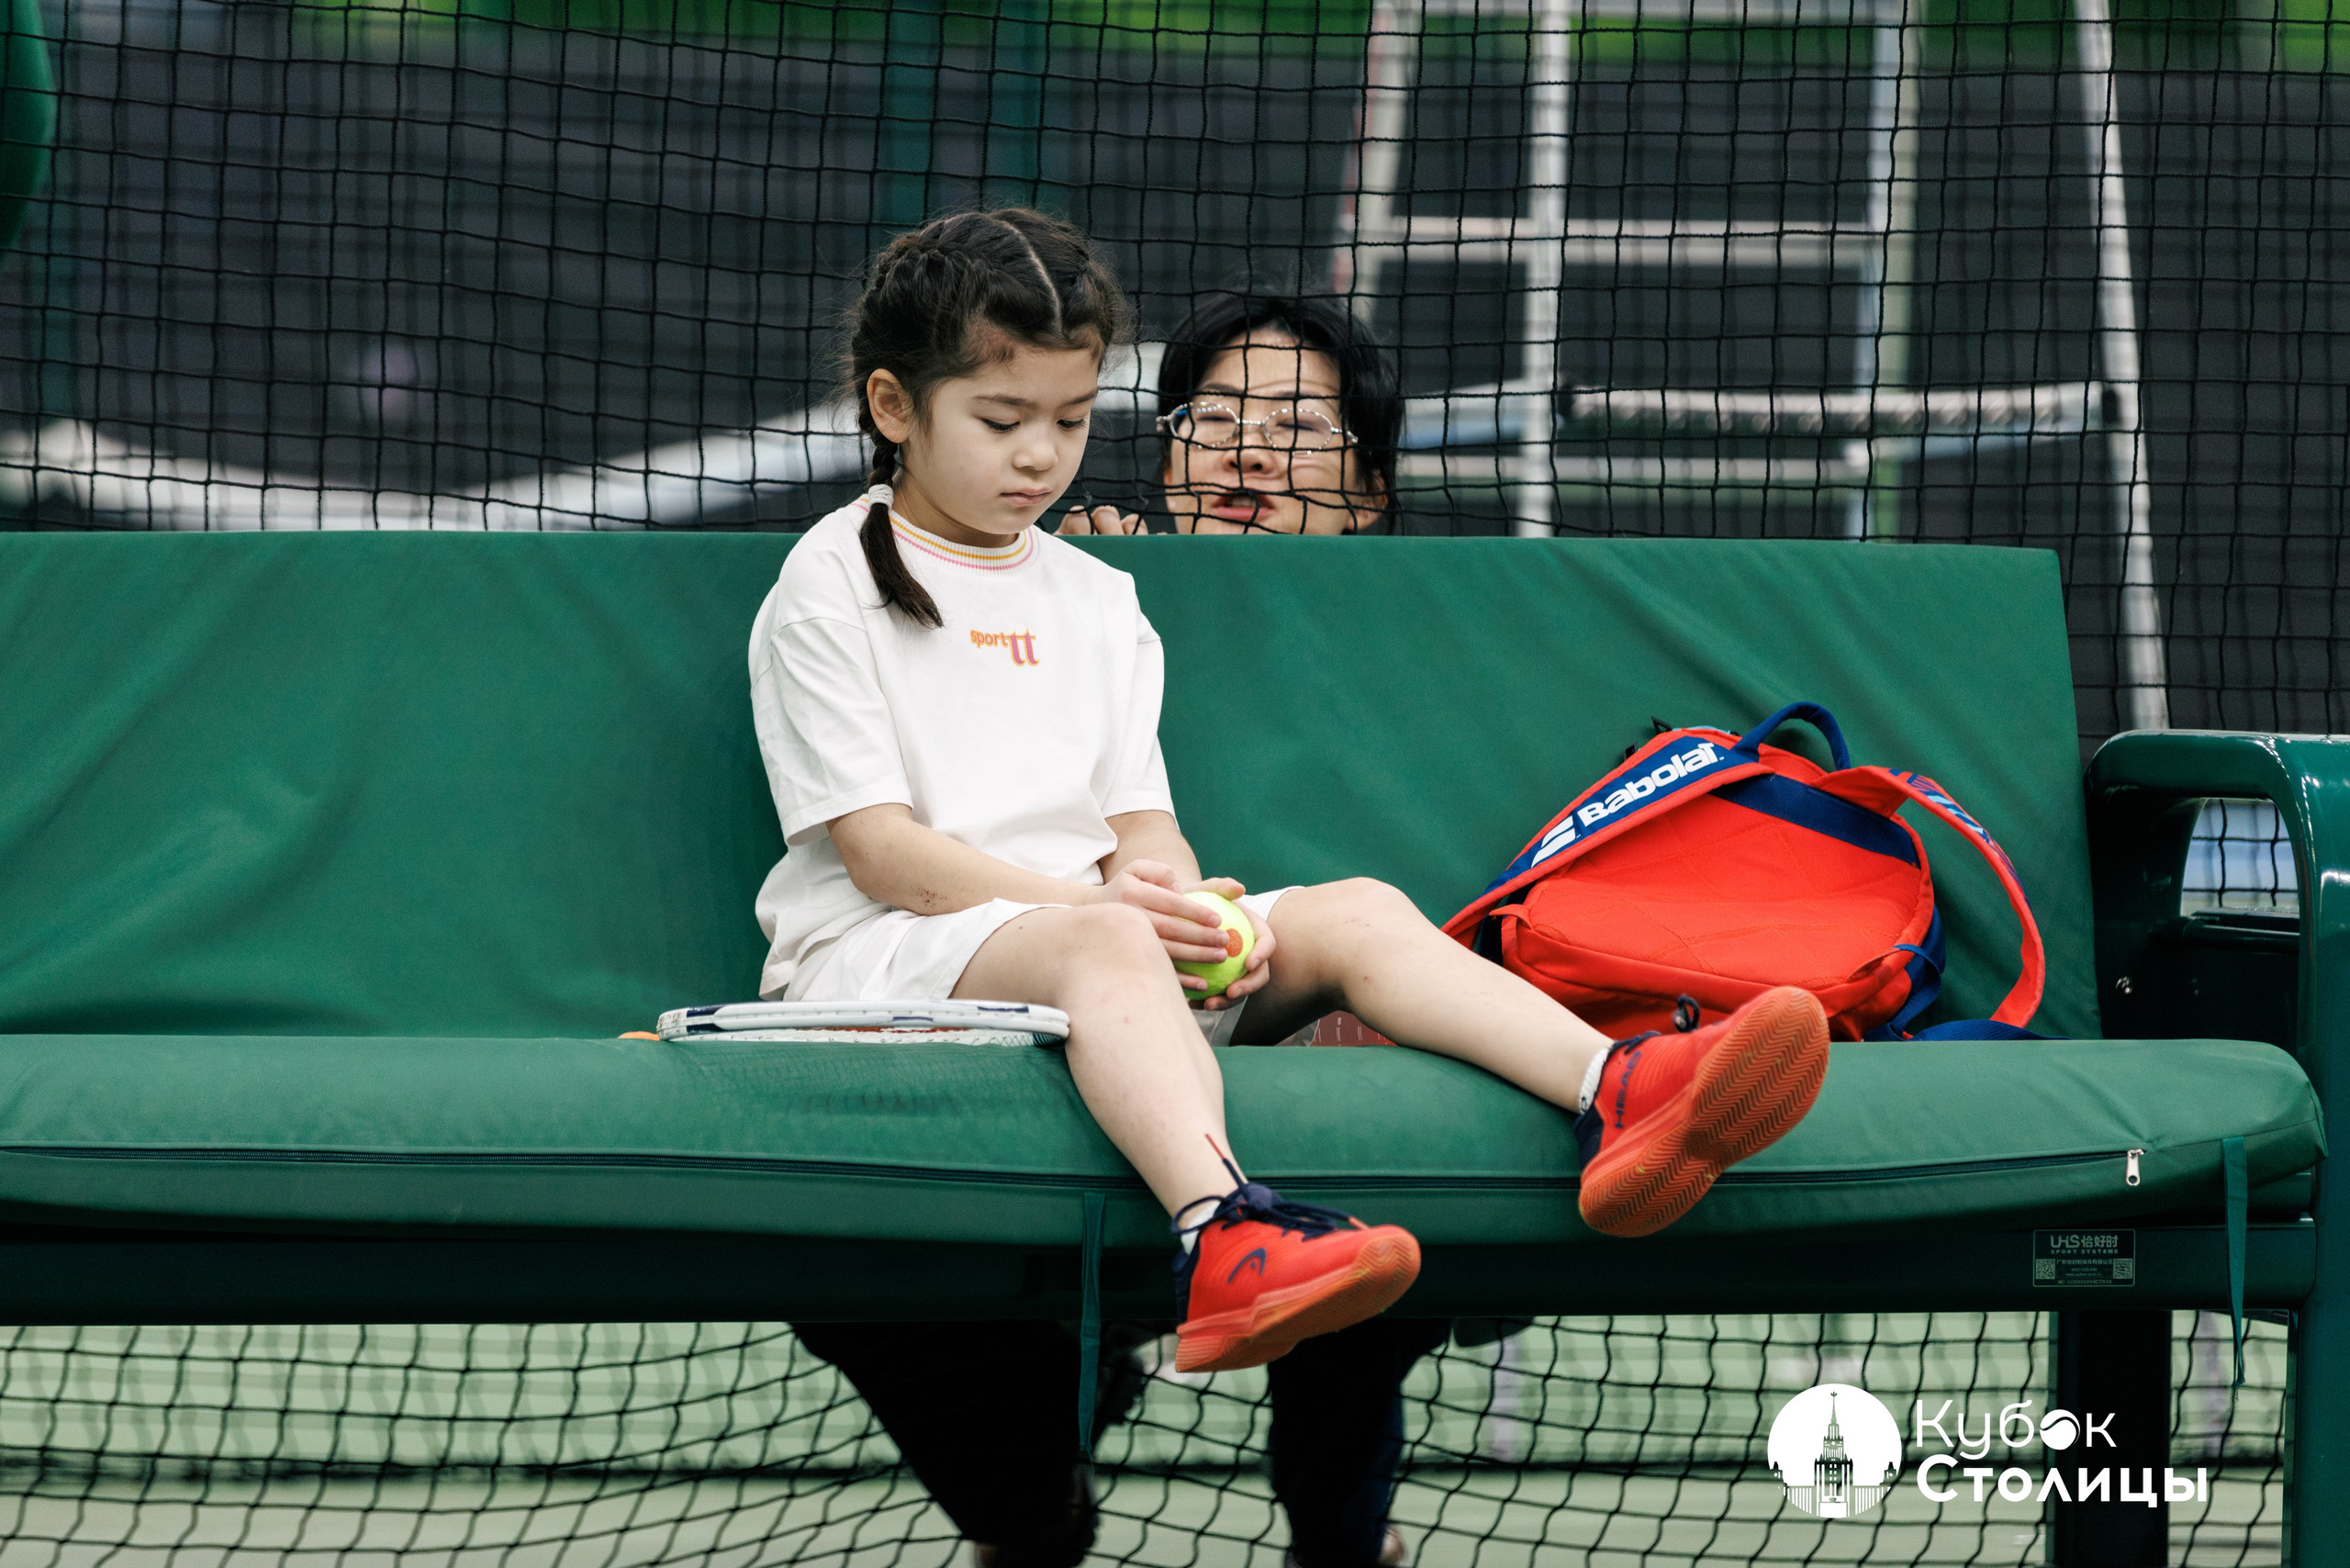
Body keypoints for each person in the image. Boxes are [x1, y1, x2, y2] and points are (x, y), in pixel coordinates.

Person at [753, 211, 1831, 1564]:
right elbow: (884, 855)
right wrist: (1105, 917)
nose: (1040, 456)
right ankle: (1226, 1234)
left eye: (1071, 421)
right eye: (1003, 419)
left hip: (1087, 960)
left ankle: (1622, 1093)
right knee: (1106, 953)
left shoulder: (1097, 598)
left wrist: (1187, 907)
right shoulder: (828, 580)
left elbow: (1138, 825)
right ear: (892, 408)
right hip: (891, 969)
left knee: (1353, 911)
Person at [1059, 289, 1398, 537]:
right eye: (1214, 417)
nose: (1246, 453)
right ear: (1170, 474)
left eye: (1296, 425)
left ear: (1367, 493)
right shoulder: (1108, 595)